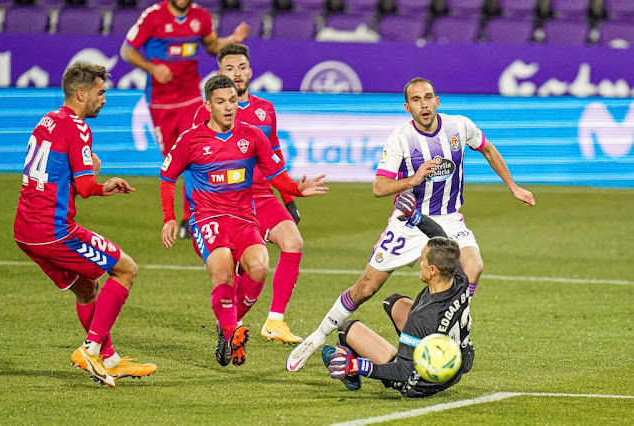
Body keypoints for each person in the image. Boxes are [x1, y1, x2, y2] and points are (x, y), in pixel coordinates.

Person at [287, 77, 534, 371]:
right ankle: (316, 338)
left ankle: (459, 334)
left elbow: (489, 149)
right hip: (408, 224)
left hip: (448, 218)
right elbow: (379, 187)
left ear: (437, 101)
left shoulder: (459, 126)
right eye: (416, 100)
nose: (424, 104)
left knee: (474, 265)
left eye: (428, 97)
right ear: (407, 107)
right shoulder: (400, 139)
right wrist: (414, 180)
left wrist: (513, 186)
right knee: (365, 288)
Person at [159, 75, 327, 367]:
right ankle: (232, 330)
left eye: (233, 101)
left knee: (259, 267)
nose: (228, 107)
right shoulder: (191, 140)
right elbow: (167, 177)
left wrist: (297, 189)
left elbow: (278, 178)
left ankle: (228, 326)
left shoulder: (252, 137)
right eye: (221, 102)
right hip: (207, 219)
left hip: (243, 218)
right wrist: (170, 218)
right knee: (223, 272)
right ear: (208, 104)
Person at [13, 62, 157, 388]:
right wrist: (98, 176)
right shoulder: (77, 127)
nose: (104, 99)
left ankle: (110, 360)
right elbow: (86, 188)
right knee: (126, 269)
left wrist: (94, 177)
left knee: (86, 287)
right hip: (53, 230)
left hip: (25, 231)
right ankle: (90, 349)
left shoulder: (47, 120)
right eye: (100, 92)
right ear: (81, 93)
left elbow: (64, 176)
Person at [193, 43, 305, 344]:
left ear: (251, 72)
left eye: (242, 68)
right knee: (241, 264)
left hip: (263, 194)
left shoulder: (265, 109)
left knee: (293, 243)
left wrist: (289, 199)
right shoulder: (208, 114)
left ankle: (274, 322)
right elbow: (195, 166)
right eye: (229, 69)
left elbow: (276, 155)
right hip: (230, 199)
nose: (237, 74)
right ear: (220, 74)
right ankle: (232, 321)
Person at [120, 0, 250, 239]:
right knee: (175, 162)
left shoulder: (201, 17)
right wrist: (152, 68)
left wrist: (233, 38)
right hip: (161, 102)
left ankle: (192, 218)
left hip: (191, 99)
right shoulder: (153, 16)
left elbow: (211, 47)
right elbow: (127, 51)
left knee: (196, 157)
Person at [323, 233, 474, 398]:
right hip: (458, 363)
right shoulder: (459, 278)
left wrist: (356, 365)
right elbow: (439, 234)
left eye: (423, 259)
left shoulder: (421, 318)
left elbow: (402, 371)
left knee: (346, 329)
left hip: (419, 383)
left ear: (433, 270)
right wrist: (417, 218)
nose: (419, 262)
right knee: (394, 303)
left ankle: (352, 377)